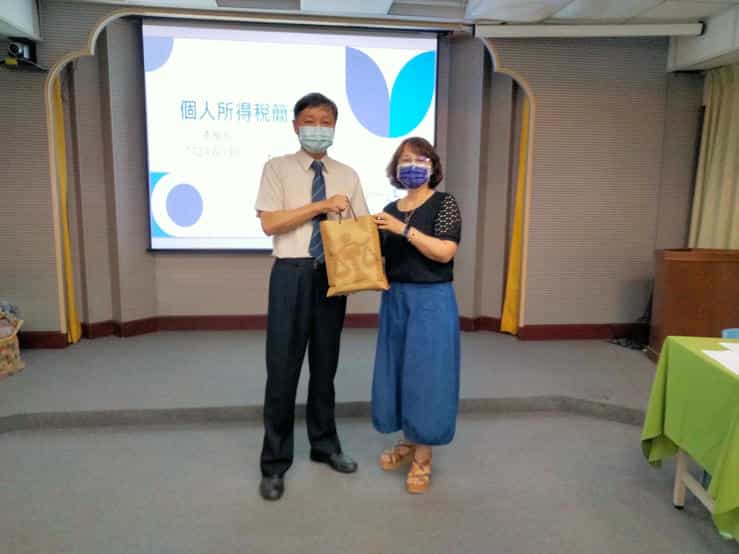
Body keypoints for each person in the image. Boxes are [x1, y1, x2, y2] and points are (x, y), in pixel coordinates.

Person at [255, 93, 369, 501]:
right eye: (309, 120)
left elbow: (359, 228)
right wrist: (321, 205)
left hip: (332, 276)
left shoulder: (348, 174)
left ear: (335, 127)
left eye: (325, 121)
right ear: (295, 125)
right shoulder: (277, 168)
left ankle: (324, 445)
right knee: (282, 371)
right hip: (291, 274)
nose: (317, 127)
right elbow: (270, 223)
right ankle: (274, 463)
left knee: (325, 368)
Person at [372, 137, 462, 494]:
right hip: (395, 299)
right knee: (397, 371)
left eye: (420, 158)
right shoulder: (388, 209)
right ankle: (409, 439)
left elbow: (445, 252)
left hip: (432, 300)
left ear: (432, 166)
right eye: (405, 159)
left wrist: (404, 230)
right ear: (395, 168)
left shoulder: (444, 204)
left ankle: (424, 455)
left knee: (427, 375)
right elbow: (377, 257)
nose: (412, 164)